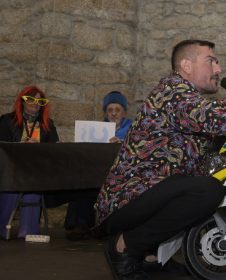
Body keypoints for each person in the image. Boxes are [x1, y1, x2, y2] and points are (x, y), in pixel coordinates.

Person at [94, 39, 226, 280]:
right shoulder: (174, 91)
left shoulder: (187, 97)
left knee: (203, 185)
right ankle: (124, 246)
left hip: (151, 194)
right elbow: (216, 120)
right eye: (211, 61)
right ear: (186, 65)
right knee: (207, 191)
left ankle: (151, 255)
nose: (218, 69)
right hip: (127, 199)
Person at [44, 91, 133, 241]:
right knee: (81, 184)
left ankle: (88, 226)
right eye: (110, 110)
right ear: (105, 113)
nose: (113, 114)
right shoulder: (99, 129)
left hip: (121, 176)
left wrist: (121, 144)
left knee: (92, 186)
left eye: (117, 110)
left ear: (124, 112)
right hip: (98, 173)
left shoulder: (132, 128)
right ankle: (78, 225)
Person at [0, 86, 59, 239]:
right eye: (31, 99)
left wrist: (39, 148)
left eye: (40, 101)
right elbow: (2, 147)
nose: (35, 103)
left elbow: (55, 152)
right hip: (11, 168)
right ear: (22, 101)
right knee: (11, 186)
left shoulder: (48, 125)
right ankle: (2, 228)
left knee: (33, 190)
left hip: (37, 171)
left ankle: (28, 231)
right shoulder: (6, 121)